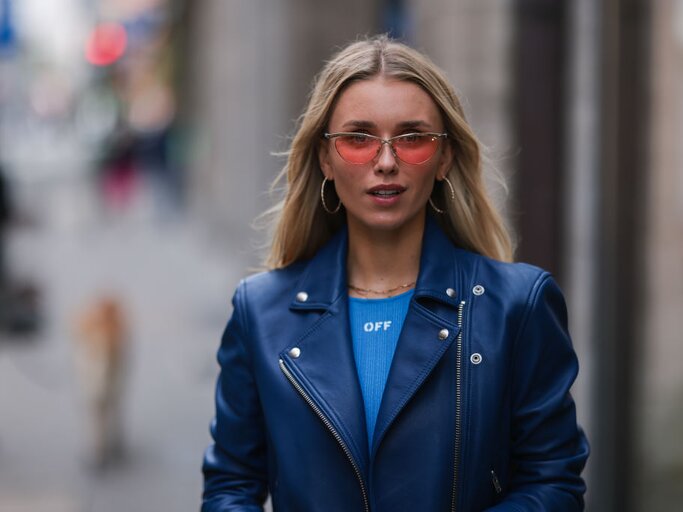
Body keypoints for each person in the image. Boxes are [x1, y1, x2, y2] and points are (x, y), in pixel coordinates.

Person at [202, 35, 589, 511]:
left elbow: (553, 486)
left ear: (445, 156)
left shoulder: (518, 306)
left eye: (412, 138)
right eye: (358, 139)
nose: (386, 162)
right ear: (325, 157)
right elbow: (230, 488)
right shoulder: (259, 312)